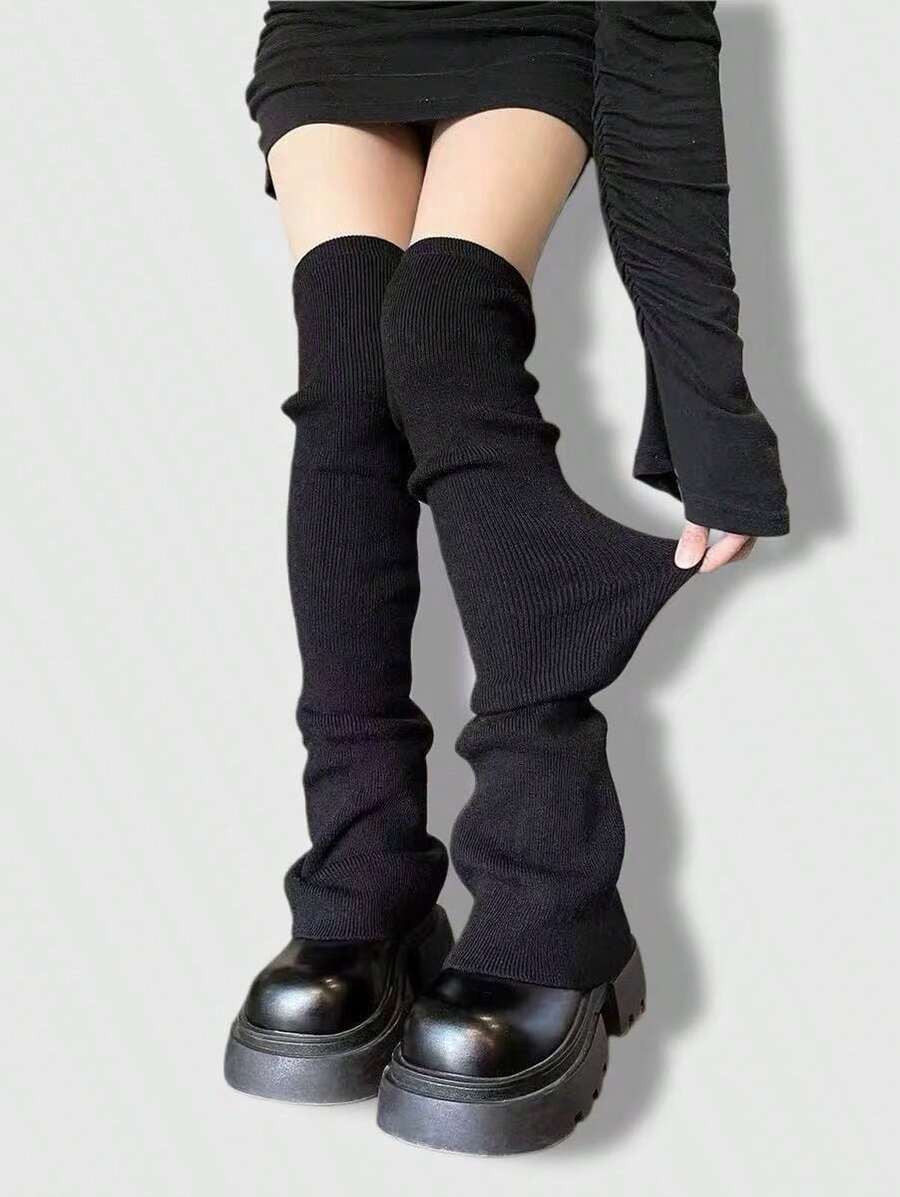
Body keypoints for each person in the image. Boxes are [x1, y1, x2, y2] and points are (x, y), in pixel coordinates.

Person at [224, 2, 788, 1155]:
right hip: (341, 21)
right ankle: (362, 883)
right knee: (346, 366)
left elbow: (664, 47)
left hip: (539, 18)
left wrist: (708, 402)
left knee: (442, 327)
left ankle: (551, 897)